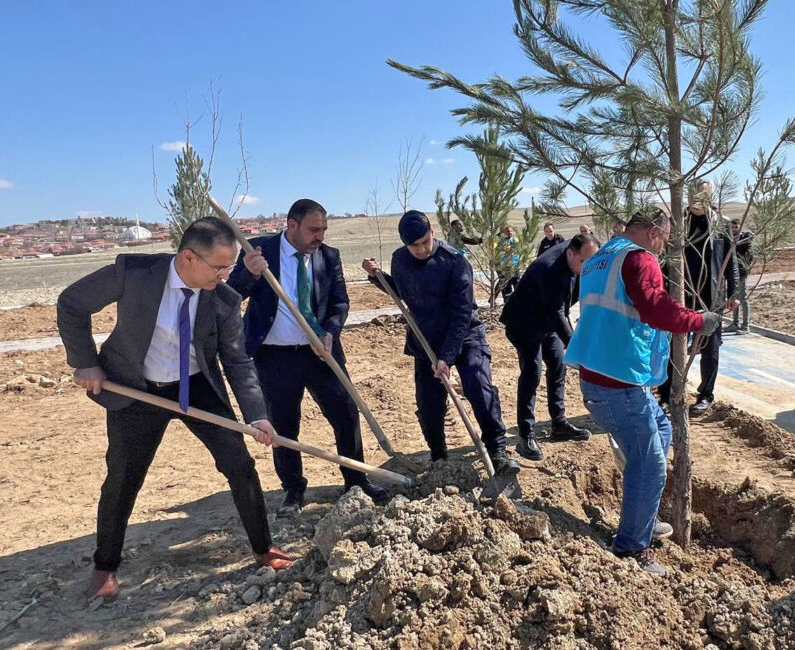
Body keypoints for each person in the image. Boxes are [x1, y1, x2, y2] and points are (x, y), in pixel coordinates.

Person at [57, 217, 293, 603]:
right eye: (219, 267)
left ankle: (264, 548)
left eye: (229, 266)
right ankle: (105, 565)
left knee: (239, 463)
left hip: (196, 385)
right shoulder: (132, 274)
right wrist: (85, 362)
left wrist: (257, 415)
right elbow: (71, 304)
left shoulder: (223, 299)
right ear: (188, 258)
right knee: (123, 478)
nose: (226, 275)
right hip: (135, 389)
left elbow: (237, 361)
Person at [564, 209, 725, 576]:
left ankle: (642, 518)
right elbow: (654, 308)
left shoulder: (600, 257)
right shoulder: (638, 258)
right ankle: (632, 547)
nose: (664, 246)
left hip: (604, 373)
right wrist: (698, 320)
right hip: (616, 382)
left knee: (661, 433)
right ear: (654, 231)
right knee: (650, 461)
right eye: (666, 238)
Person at [227, 199, 389, 519]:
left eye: (324, 229)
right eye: (314, 229)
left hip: (321, 353)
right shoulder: (259, 251)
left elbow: (340, 303)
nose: (321, 236)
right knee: (284, 426)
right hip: (274, 357)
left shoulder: (329, 257)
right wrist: (248, 273)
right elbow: (232, 295)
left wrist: (329, 332)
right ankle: (293, 490)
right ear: (292, 226)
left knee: (345, 414)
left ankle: (356, 482)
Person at [362, 211, 520, 476]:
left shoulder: (455, 262)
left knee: (479, 388)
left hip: (465, 335)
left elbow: (461, 314)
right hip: (426, 340)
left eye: (425, 242)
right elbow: (402, 292)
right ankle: (439, 457)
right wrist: (378, 276)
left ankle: (498, 451)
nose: (422, 249)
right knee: (428, 404)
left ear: (432, 232)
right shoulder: (400, 260)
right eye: (415, 246)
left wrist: (447, 357)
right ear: (404, 244)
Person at [501, 233, 600, 460]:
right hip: (524, 322)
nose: (588, 268)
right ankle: (526, 436)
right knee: (531, 373)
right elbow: (557, 314)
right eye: (584, 262)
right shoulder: (550, 269)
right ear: (570, 253)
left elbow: (562, 309)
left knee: (558, 366)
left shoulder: (579, 256)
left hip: (546, 320)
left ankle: (559, 423)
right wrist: (577, 348)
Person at [656, 201, 740, 416]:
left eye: (704, 195)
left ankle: (705, 395)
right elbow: (663, 259)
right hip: (679, 295)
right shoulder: (678, 222)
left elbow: (731, 260)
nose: (699, 201)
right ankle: (667, 395)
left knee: (710, 350)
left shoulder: (721, 224)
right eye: (695, 195)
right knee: (673, 347)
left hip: (711, 298)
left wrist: (734, 292)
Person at [729, 218, 754, 334]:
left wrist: (743, 268)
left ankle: (745, 325)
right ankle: (735, 323)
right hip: (731, 273)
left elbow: (749, 256)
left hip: (741, 272)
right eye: (732, 227)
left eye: (736, 227)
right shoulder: (729, 238)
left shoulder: (745, 240)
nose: (734, 229)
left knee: (743, 297)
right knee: (734, 297)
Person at [497, 225, 521, 301]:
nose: (510, 232)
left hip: (515, 265)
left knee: (516, 283)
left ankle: (519, 300)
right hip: (504, 266)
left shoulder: (515, 239)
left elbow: (519, 249)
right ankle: (507, 301)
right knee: (506, 285)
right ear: (504, 232)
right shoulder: (500, 241)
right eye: (508, 231)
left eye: (511, 231)